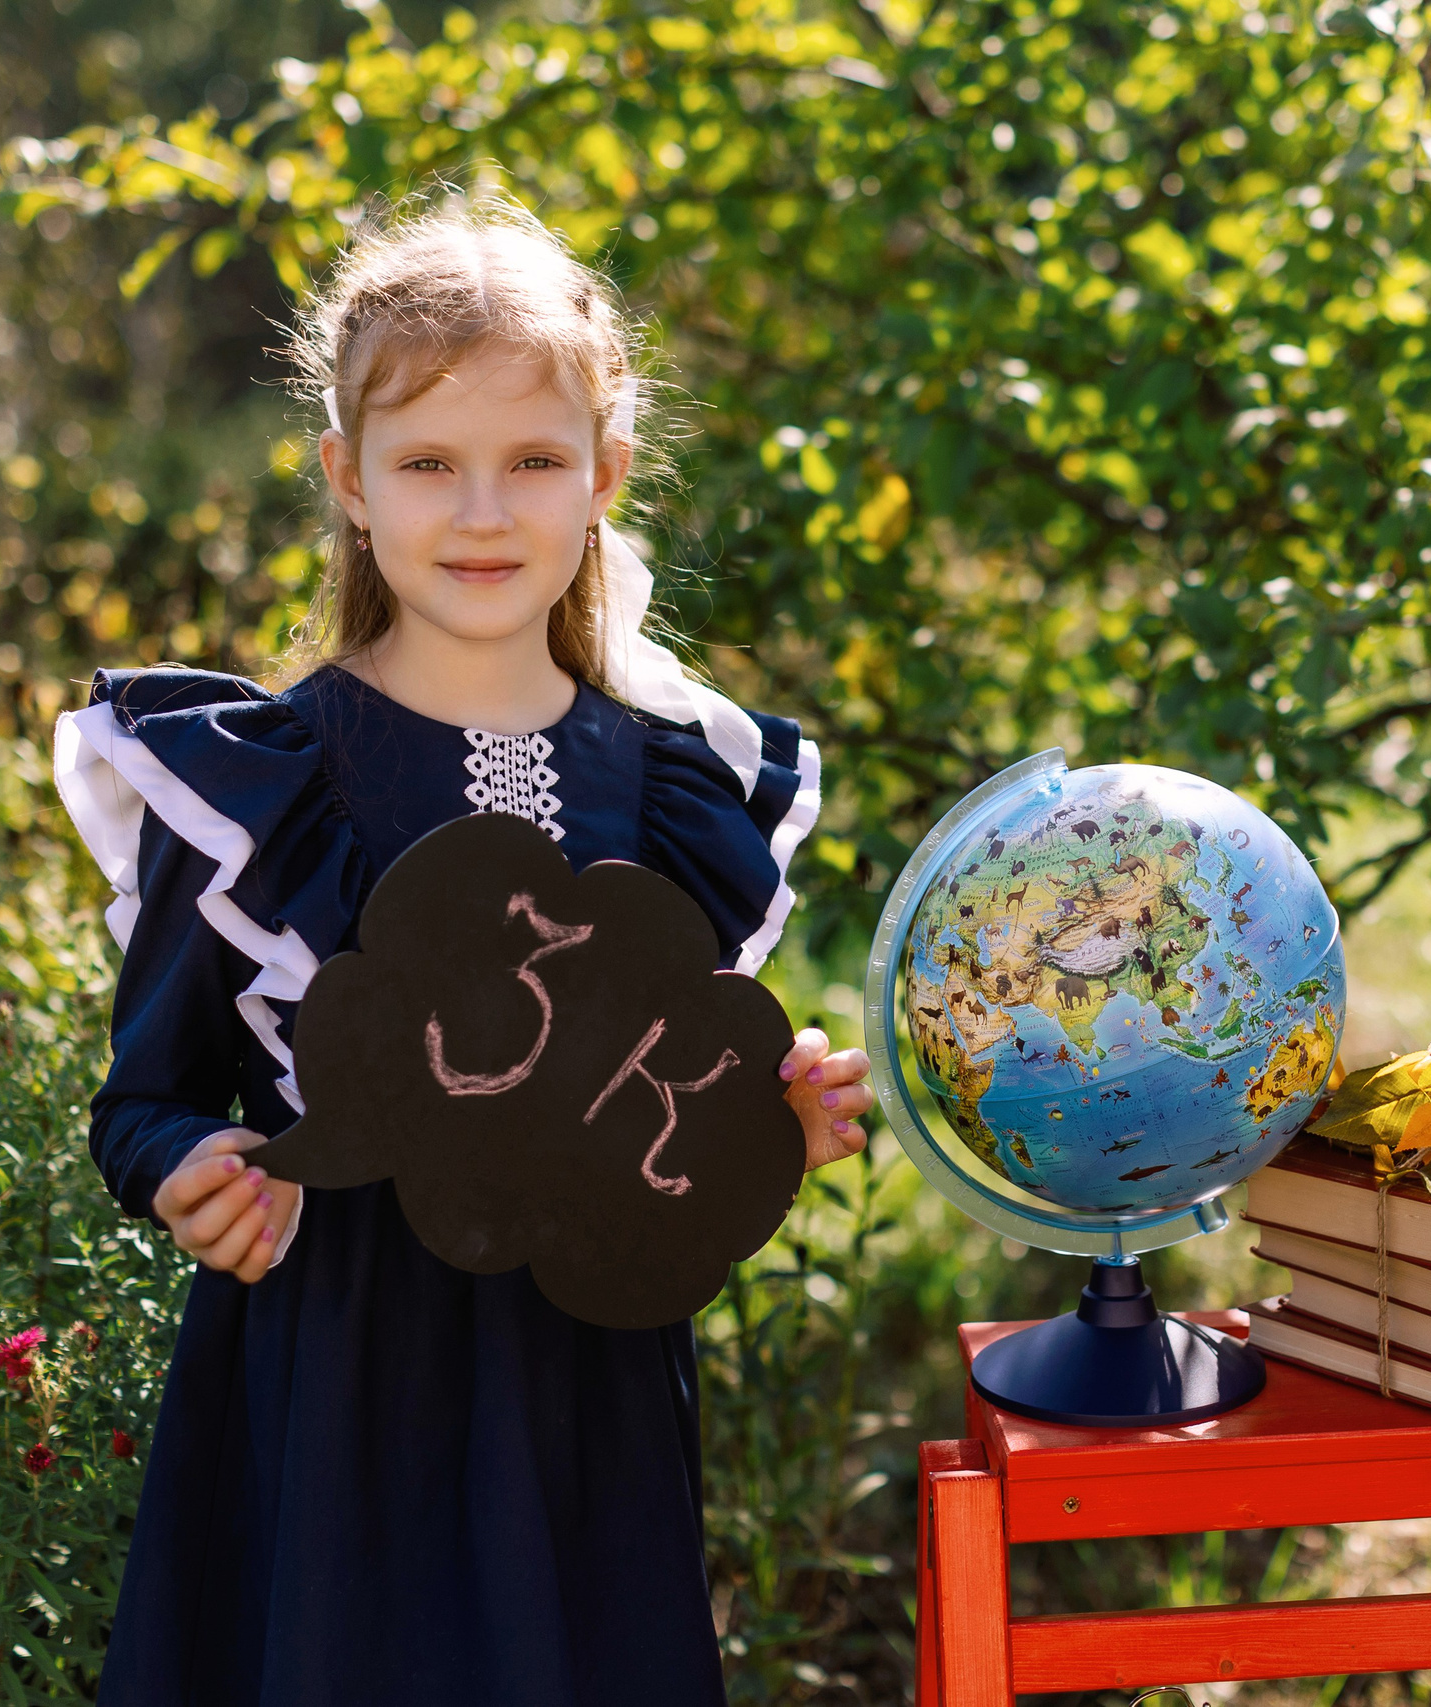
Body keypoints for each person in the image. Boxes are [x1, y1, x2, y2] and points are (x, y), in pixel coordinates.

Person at [52, 198, 874, 1704]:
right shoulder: (265, 785)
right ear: (348, 483)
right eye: (428, 463)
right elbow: (146, 1097)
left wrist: (779, 1118)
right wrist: (182, 1170)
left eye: (534, 463)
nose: (481, 513)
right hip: (345, 1389)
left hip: (592, 1393)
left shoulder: (678, 784)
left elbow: (668, 1082)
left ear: (604, 478)